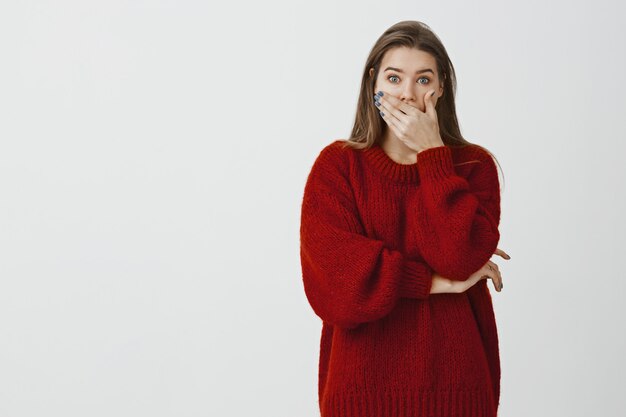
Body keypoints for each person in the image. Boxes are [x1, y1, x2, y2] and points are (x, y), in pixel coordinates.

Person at [299, 20, 512, 417]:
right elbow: (335, 285)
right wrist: (433, 283)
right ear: (372, 82)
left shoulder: (472, 166)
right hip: (360, 392)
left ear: (442, 86)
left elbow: (457, 257)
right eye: (394, 78)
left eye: (423, 79)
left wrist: (432, 155)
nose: (408, 95)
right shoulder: (338, 167)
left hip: (457, 390)